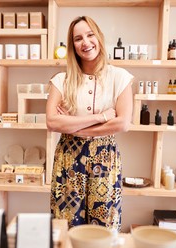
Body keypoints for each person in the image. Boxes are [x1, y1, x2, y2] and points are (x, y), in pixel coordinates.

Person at [46, 16, 134, 232]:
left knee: (104, 226)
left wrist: (73, 125)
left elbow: (123, 123)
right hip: (68, 158)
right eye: (78, 38)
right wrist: (101, 117)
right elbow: (51, 121)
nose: (85, 42)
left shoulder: (119, 77)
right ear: (72, 46)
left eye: (90, 35)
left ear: (99, 38)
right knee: (65, 224)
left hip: (105, 157)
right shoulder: (61, 80)